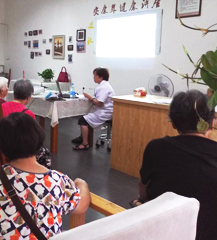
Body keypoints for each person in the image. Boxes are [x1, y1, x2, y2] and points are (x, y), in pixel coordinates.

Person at [0, 112, 90, 239]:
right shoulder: (58, 181)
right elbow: (81, 206)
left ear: (2, 147)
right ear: (38, 140)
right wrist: (81, 183)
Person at [131, 90, 217, 240]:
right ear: (212, 123)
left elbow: (143, 188)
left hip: (163, 230)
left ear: (173, 123)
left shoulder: (156, 147)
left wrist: (141, 202)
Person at [72, 67, 115, 150]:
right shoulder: (105, 85)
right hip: (105, 111)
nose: (93, 77)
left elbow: (99, 103)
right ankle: (82, 137)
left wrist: (89, 97)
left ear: (100, 77)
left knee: (83, 120)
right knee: (85, 115)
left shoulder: (104, 87)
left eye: (95, 75)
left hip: (105, 113)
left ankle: (85, 143)